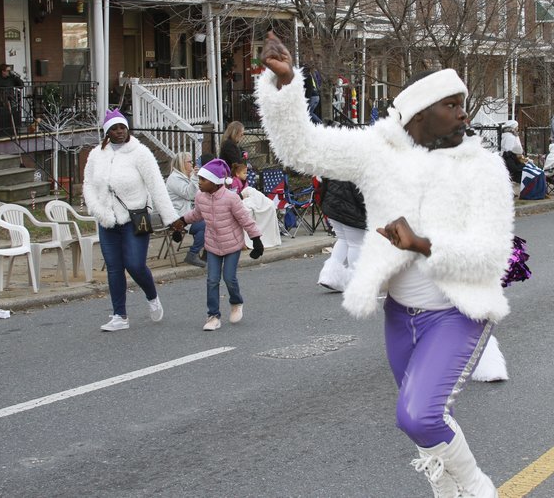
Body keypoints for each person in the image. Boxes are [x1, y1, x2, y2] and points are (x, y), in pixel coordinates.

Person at [256, 31, 510, 497]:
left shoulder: (484, 168)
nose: (463, 114)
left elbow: (494, 253)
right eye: (451, 105)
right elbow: (301, 149)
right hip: (400, 317)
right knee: (425, 423)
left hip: (457, 312)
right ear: (419, 114)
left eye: (463, 104)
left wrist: (423, 243)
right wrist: (287, 85)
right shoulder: (378, 153)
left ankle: (477, 487)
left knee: (419, 414)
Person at [83, 109, 182, 332]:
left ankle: (152, 296)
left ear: (128, 129)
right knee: (114, 268)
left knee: (135, 264)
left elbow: (157, 187)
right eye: (114, 129)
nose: (119, 132)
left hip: (134, 219)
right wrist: (96, 208)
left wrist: (172, 220)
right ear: (106, 132)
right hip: (107, 219)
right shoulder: (96, 154)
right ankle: (119, 315)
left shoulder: (141, 153)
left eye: (122, 128)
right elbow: (88, 183)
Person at [180, 159, 264, 331]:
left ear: (216, 182)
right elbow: (196, 214)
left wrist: (256, 240)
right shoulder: (200, 196)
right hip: (212, 245)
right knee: (211, 280)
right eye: (199, 179)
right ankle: (213, 316)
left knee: (229, 278)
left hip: (232, 244)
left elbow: (245, 219)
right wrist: (181, 222)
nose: (200, 183)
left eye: (203, 180)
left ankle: (236, 302)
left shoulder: (231, 198)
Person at [317, 178, 367, 292]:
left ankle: (329, 277)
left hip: (332, 206)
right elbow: (360, 193)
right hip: (351, 210)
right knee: (356, 244)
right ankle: (357, 281)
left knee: (343, 240)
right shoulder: (358, 165)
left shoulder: (333, 162)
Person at [165, 152, 207, 268]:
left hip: (188, 213)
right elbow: (189, 194)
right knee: (206, 225)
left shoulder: (183, 177)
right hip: (179, 217)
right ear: (181, 164)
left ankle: (207, 254)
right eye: (189, 162)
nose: (192, 164)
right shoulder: (174, 179)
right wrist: (194, 177)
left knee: (212, 219)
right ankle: (193, 254)